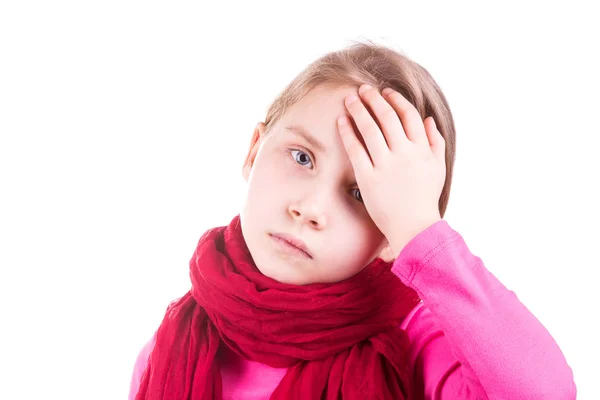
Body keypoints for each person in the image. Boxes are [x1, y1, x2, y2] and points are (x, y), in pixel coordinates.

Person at [128, 41, 576, 399]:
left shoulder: (418, 347)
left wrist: (421, 232)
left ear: (389, 233)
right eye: (301, 157)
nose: (310, 209)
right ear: (253, 150)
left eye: (361, 193)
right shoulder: (176, 344)